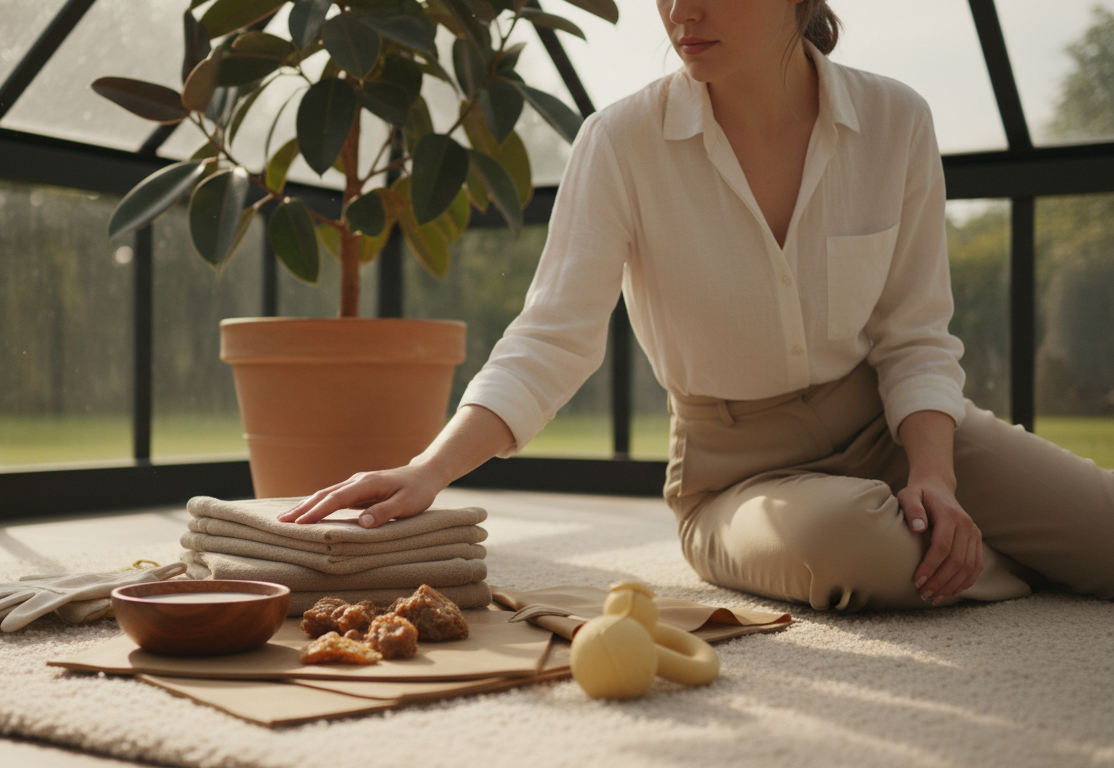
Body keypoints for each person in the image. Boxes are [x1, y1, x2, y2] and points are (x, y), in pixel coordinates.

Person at [280, 0, 1114, 610]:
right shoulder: (621, 142)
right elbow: (552, 338)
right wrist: (426, 471)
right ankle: (1000, 556)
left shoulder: (896, 119)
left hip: (892, 432)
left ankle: (971, 534)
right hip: (734, 475)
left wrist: (936, 474)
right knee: (858, 549)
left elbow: (915, 335)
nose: (682, 10)